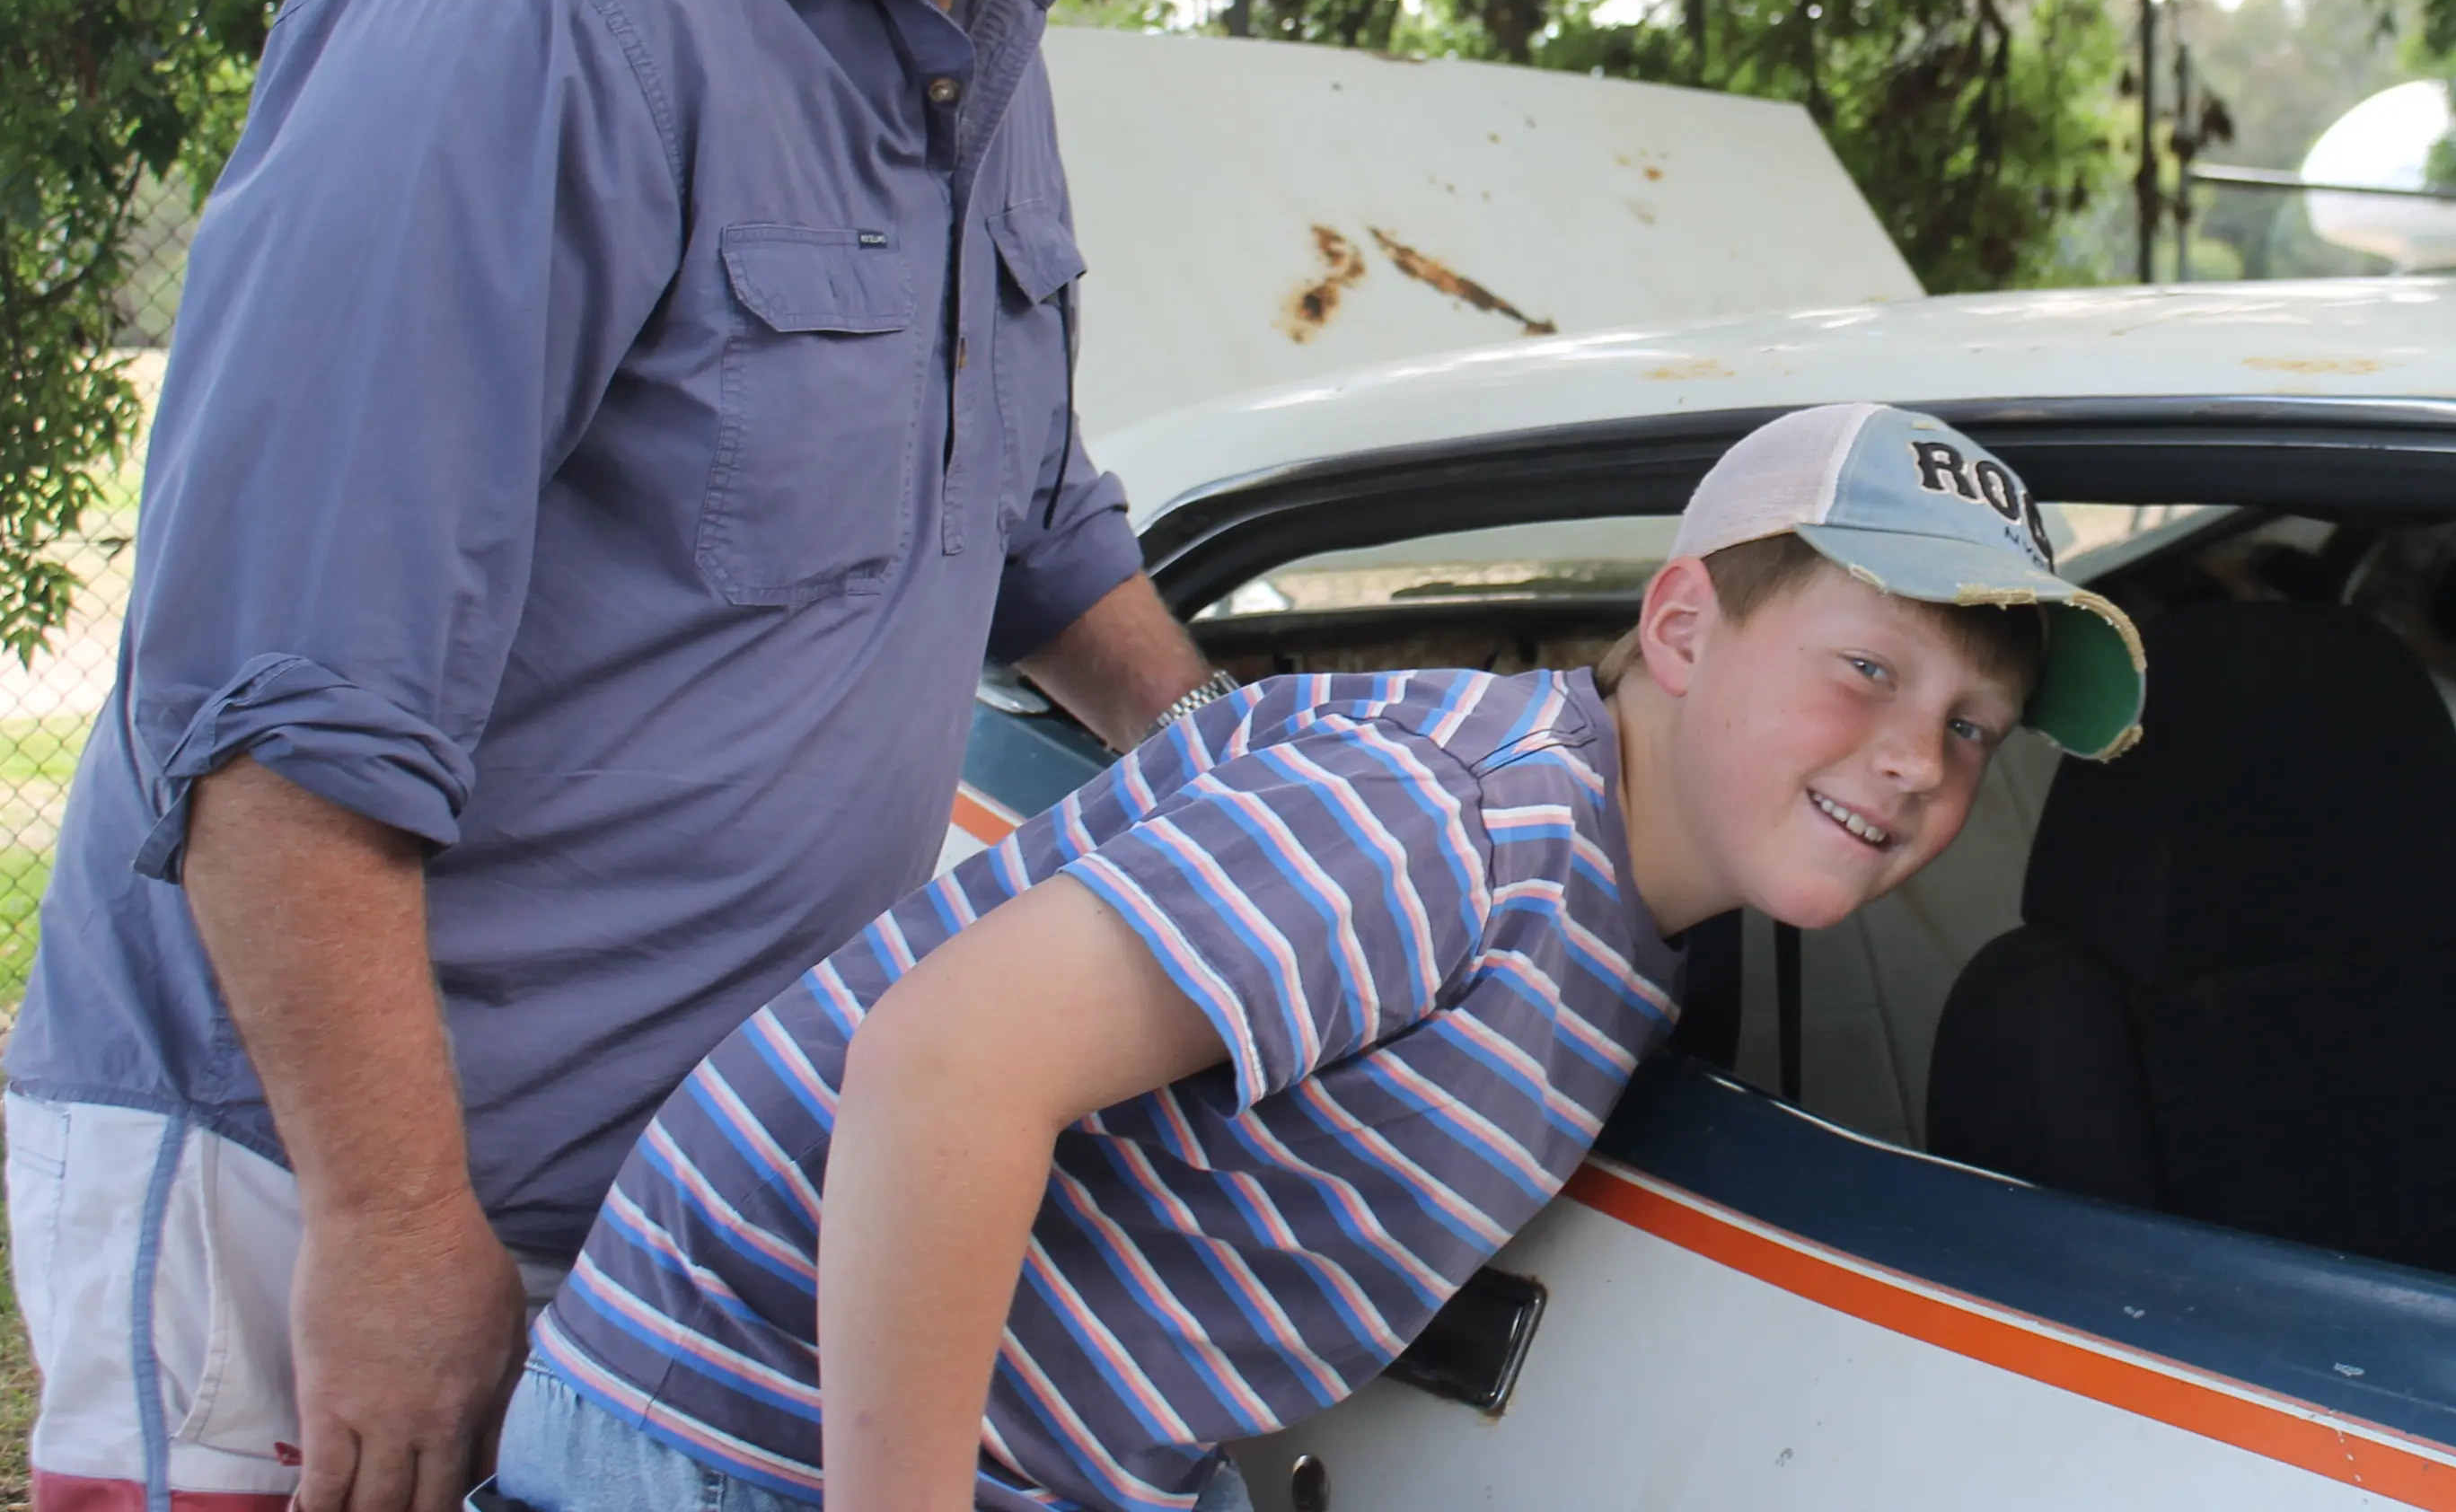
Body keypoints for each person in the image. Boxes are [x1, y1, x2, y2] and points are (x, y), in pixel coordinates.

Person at [4, 0, 1321, 1512]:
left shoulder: (977, 26)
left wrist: (1299, 780)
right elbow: (275, 706)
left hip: (650, 1199)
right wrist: (398, 1227)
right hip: (318, 1178)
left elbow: (1032, 524)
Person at [490, 404, 2149, 1512]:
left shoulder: (1619, 925)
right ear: (1681, 628)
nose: (1918, 760)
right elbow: (944, 1064)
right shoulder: (1451, 820)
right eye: (1866, 668)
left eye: (1974, 729)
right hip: (733, 1437)